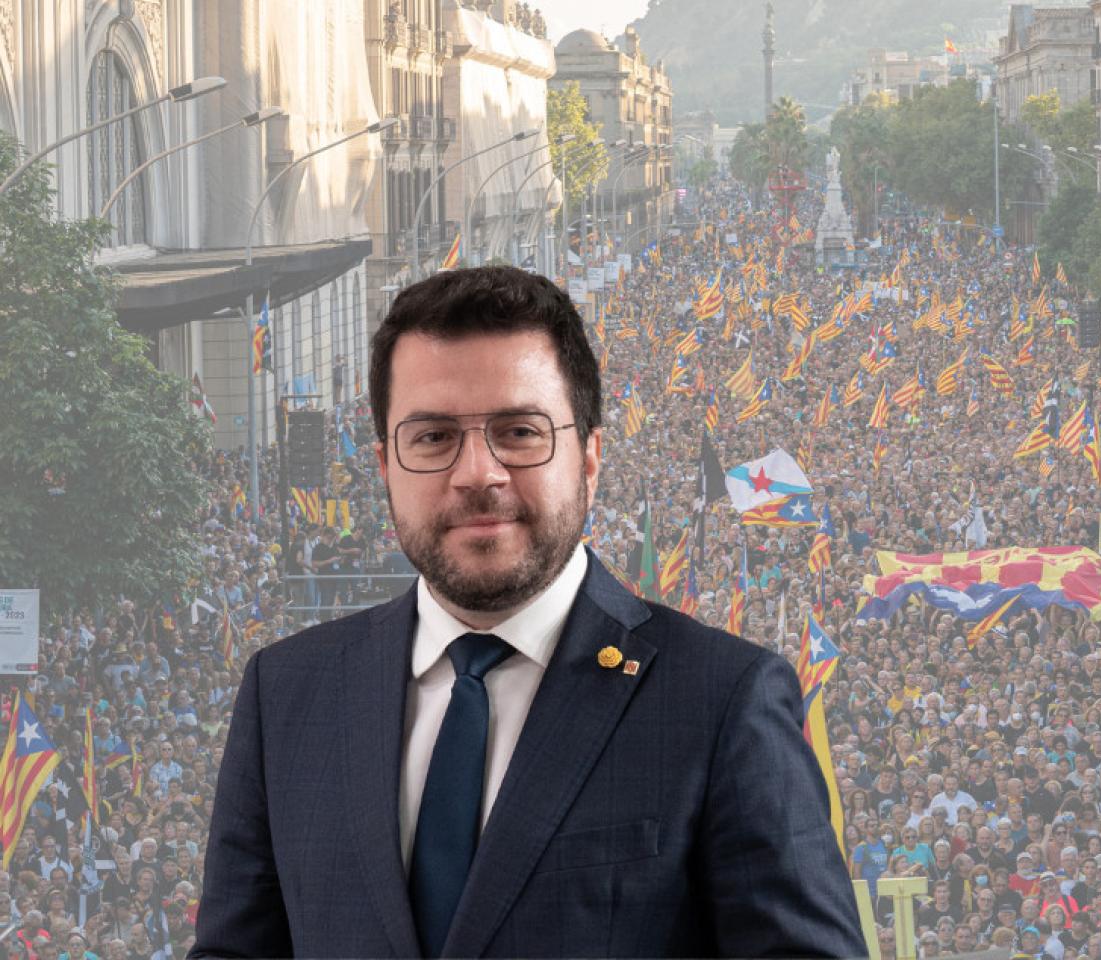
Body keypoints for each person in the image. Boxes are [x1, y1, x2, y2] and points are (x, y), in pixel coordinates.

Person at [191, 266, 864, 958]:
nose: (476, 472)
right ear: (386, 466)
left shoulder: (722, 701)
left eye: (518, 431)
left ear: (590, 457)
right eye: (432, 438)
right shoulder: (288, 695)